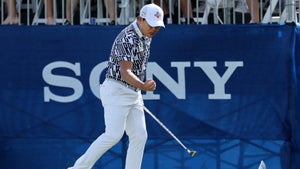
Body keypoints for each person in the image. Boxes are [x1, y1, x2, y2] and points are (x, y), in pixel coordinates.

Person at [68, 3, 164, 169]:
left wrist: (139, 89)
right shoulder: (127, 37)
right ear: (140, 19)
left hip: (133, 93)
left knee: (140, 136)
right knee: (113, 135)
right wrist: (143, 85)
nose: (154, 30)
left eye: (157, 26)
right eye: (151, 25)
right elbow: (125, 72)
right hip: (117, 90)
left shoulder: (146, 35)